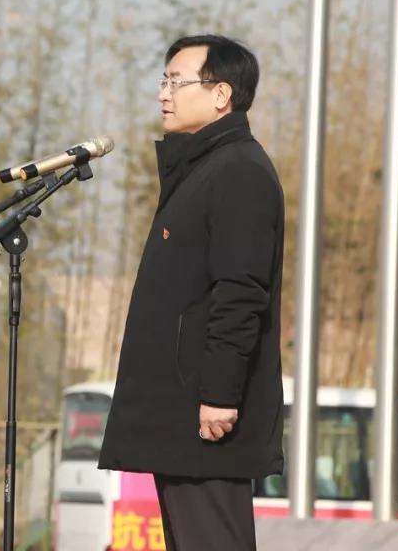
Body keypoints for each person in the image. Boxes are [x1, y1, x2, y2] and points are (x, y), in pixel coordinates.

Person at [98, 35, 285, 551]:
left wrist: (219, 395)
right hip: (183, 412)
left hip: (209, 416)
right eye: (163, 81)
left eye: (175, 82)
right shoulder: (201, 170)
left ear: (221, 94)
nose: (163, 93)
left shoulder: (239, 171)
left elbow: (241, 291)